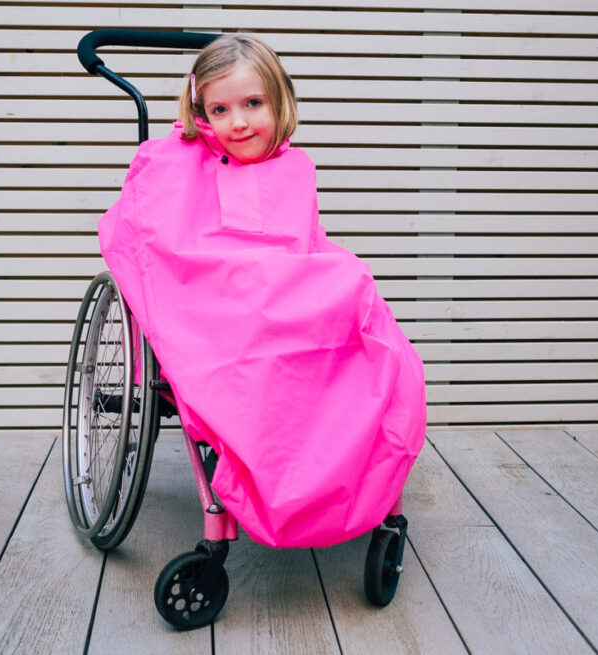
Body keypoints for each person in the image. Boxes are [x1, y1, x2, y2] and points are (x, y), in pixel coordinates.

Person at [98, 33, 426, 548]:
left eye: (253, 104)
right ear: (199, 110)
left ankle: (351, 471)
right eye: (221, 109)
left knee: (360, 303)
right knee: (283, 328)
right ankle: (282, 482)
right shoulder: (171, 163)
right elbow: (148, 245)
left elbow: (304, 244)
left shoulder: (294, 168)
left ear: (279, 100)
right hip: (214, 306)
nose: (240, 122)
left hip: (289, 295)